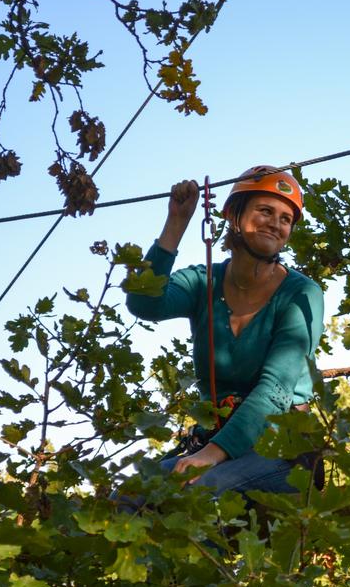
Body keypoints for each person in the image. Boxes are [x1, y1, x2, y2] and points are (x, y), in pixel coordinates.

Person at [124, 166, 325, 498]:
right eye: (265, 210)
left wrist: (208, 457)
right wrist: (176, 223)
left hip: (279, 451)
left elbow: (275, 391)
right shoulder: (205, 282)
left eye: (285, 218)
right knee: (129, 496)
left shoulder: (301, 294)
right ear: (235, 215)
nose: (276, 223)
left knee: (198, 494)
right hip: (215, 442)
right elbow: (145, 303)